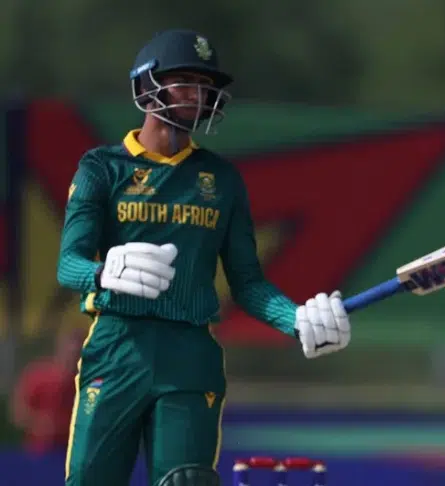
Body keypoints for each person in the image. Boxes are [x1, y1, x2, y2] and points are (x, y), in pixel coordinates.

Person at [57, 29, 351, 486]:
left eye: (204, 85)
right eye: (185, 81)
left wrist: (294, 319)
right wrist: (103, 272)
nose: (198, 94)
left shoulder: (221, 178)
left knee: (187, 480)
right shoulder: (102, 168)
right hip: (117, 346)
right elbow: (68, 264)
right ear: (147, 85)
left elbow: (247, 283)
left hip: (190, 354)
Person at [10, 328, 86, 455]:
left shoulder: (87, 384)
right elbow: (17, 412)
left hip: (70, 454)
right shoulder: (38, 376)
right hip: (37, 453)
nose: (72, 358)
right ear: (60, 350)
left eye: (77, 354)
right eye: (69, 352)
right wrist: (38, 423)